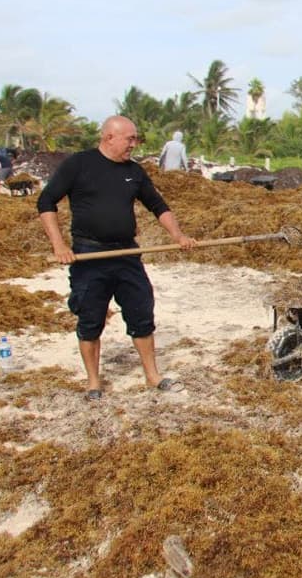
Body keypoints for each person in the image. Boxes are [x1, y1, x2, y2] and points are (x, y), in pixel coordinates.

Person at [37, 115, 196, 401]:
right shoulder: (79, 164)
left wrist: (178, 236)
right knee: (90, 319)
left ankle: (152, 375)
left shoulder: (134, 172)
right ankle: (94, 382)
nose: (134, 145)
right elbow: (46, 201)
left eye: (135, 139)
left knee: (142, 312)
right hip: (88, 255)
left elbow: (158, 205)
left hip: (127, 253)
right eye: (129, 139)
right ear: (109, 137)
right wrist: (59, 246)